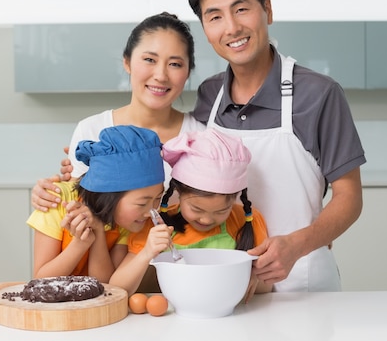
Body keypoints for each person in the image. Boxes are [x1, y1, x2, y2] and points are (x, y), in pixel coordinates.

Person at [187, 0, 366, 291]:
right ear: (206, 30)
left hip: (302, 282)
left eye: (241, 9)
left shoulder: (319, 94)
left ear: (267, 10)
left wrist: (297, 244)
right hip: (225, 285)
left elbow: (350, 197)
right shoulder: (209, 95)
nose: (232, 28)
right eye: (215, 17)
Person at [31, 12, 205, 211]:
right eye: (149, 60)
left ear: (188, 72)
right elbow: (78, 209)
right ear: (127, 62)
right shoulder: (92, 130)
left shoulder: (201, 137)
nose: (161, 75)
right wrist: (51, 195)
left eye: (175, 64)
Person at [109, 128, 273, 299]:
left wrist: (251, 274)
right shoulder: (156, 226)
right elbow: (116, 290)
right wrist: (146, 253)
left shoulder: (246, 220)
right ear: (179, 193)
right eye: (197, 209)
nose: (207, 219)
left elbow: (266, 287)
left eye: (221, 211)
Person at [26, 125, 165, 283]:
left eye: (158, 199)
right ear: (110, 196)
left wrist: (98, 232)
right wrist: (80, 243)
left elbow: (105, 286)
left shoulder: (129, 222)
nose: (151, 211)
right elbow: (40, 280)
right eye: (142, 203)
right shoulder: (56, 200)